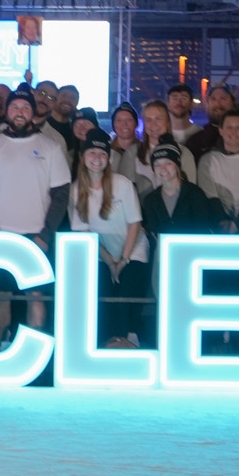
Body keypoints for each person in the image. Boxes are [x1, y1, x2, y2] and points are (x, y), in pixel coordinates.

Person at [0, 87, 71, 345]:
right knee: (1, 296)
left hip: (37, 237)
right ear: (7, 111)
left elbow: (61, 195)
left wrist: (46, 234)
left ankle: (39, 362)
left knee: (36, 296)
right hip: (1, 237)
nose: (20, 112)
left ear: (32, 112)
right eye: (15, 107)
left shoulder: (50, 147)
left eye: (25, 108)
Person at [67, 131, 151, 348]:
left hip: (132, 249)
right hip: (101, 252)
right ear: (83, 156)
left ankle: (127, 342)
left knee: (125, 296)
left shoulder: (122, 183)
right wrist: (110, 262)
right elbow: (86, 234)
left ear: (109, 158)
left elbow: (135, 224)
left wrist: (122, 260)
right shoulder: (76, 190)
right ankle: (105, 343)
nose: (97, 158)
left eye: (102, 153)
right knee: (101, 295)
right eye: (92, 152)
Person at [139, 143, 221, 242]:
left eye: (168, 163)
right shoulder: (151, 200)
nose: (163, 168)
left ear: (177, 165)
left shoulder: (195, 194)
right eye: (157, 164)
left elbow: (202, 229)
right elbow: (156, 234)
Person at [135, 99, 197, 191]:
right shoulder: (133, 152)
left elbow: (191, 190)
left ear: (167, 122)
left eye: (158, 118)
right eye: (148, 120)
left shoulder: (184, 153)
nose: (153, 124)